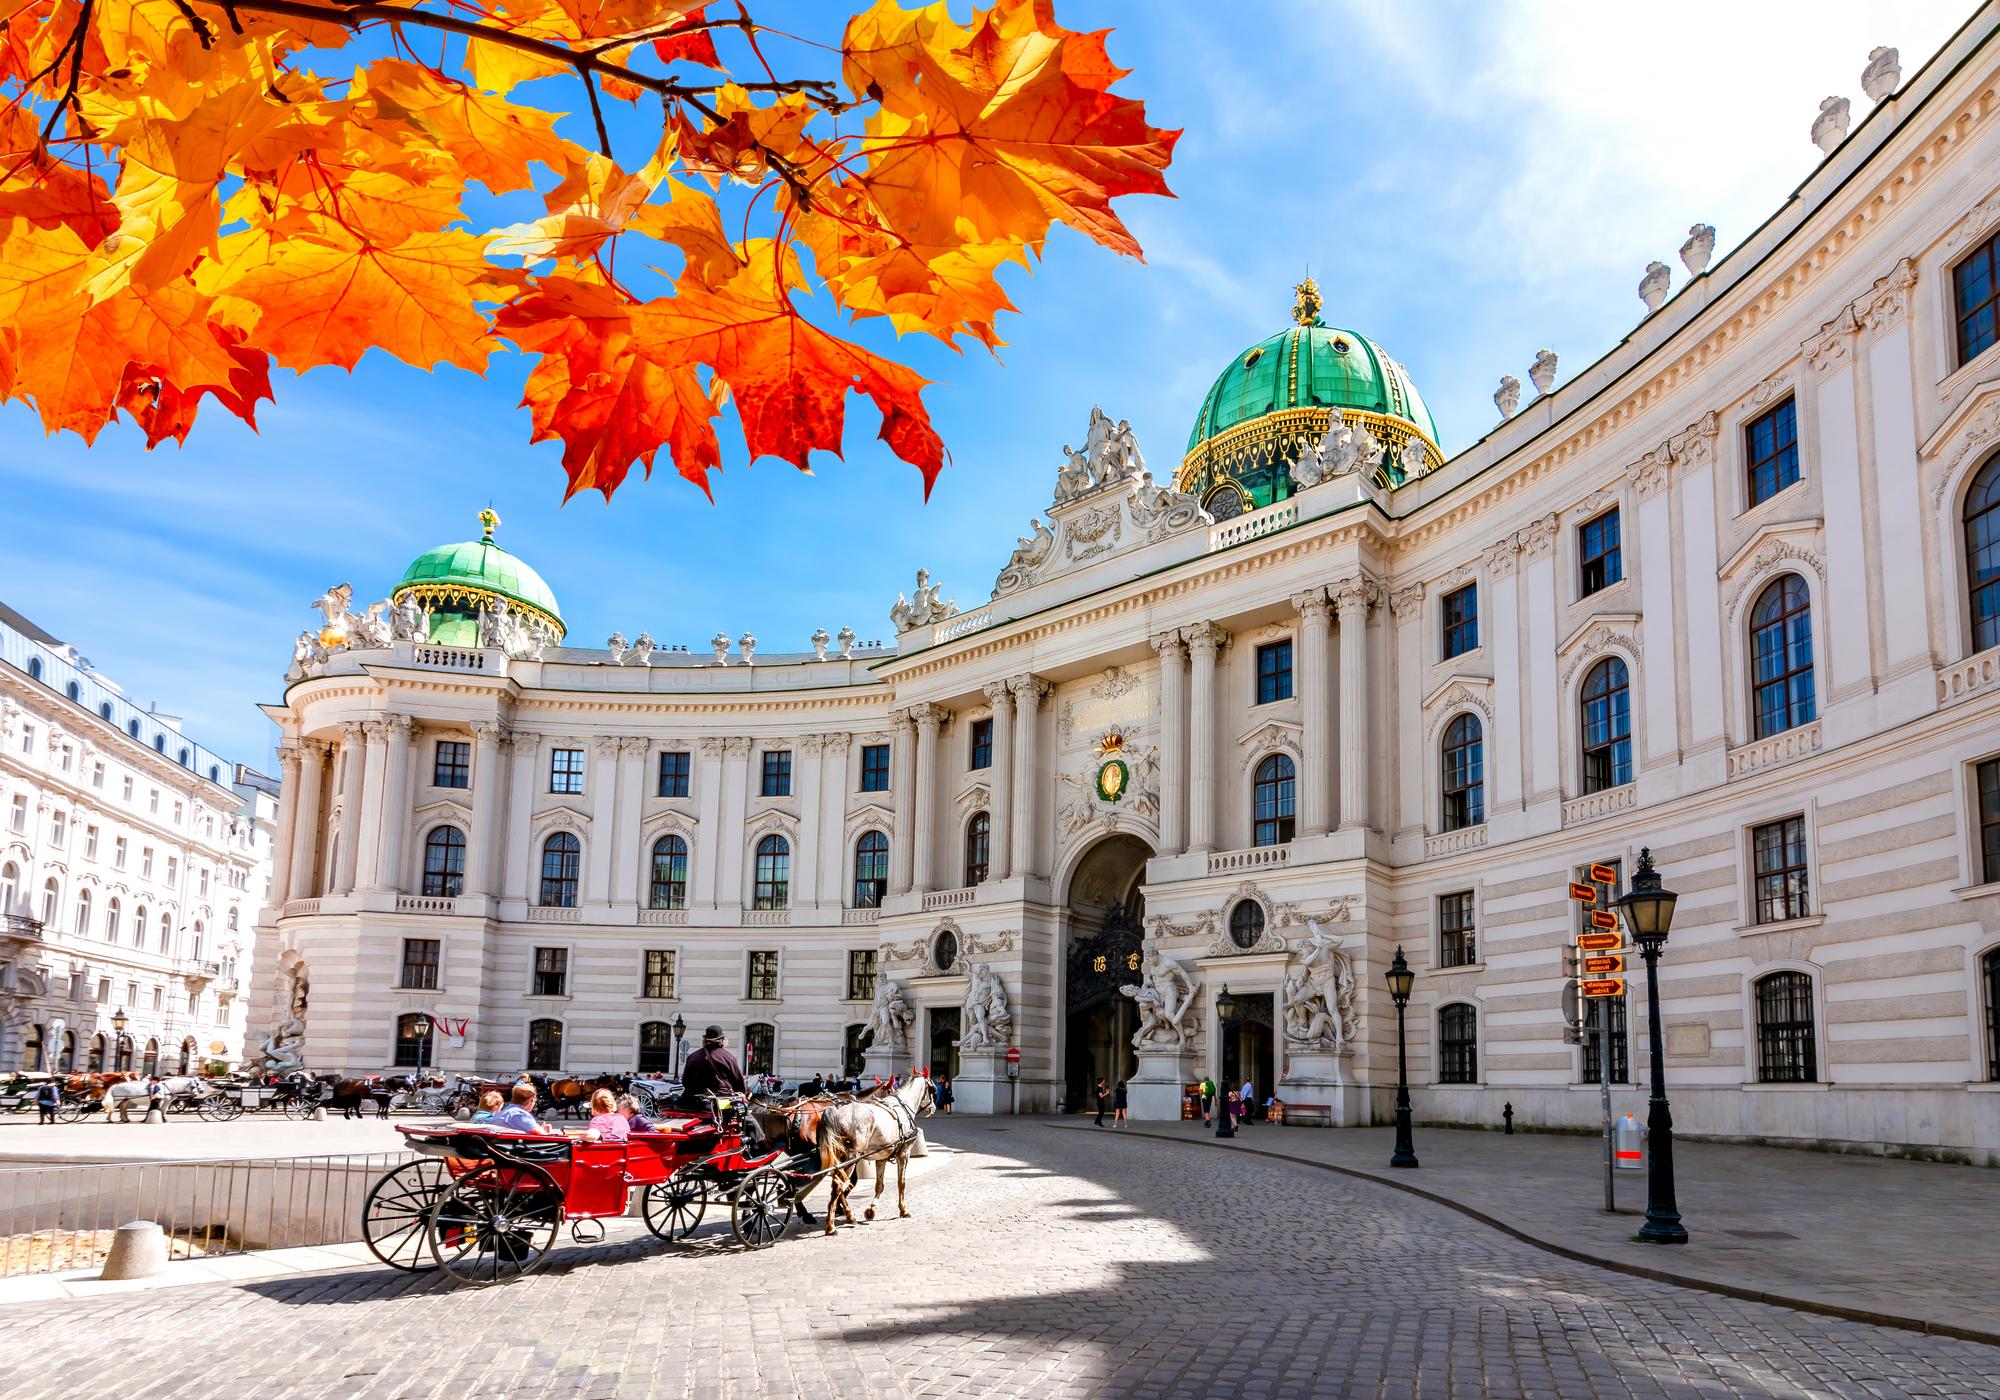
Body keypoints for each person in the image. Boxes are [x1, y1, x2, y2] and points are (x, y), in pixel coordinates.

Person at [678, 1025, 749, 1112]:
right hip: (721, 1103)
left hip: (694, 1103)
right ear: (722, 1040)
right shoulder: (728, 1057)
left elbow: (685, 1082)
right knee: (747, 1116)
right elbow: (738, 1083)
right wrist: (745, 1092)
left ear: (705, 1040)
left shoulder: (693, 1057)